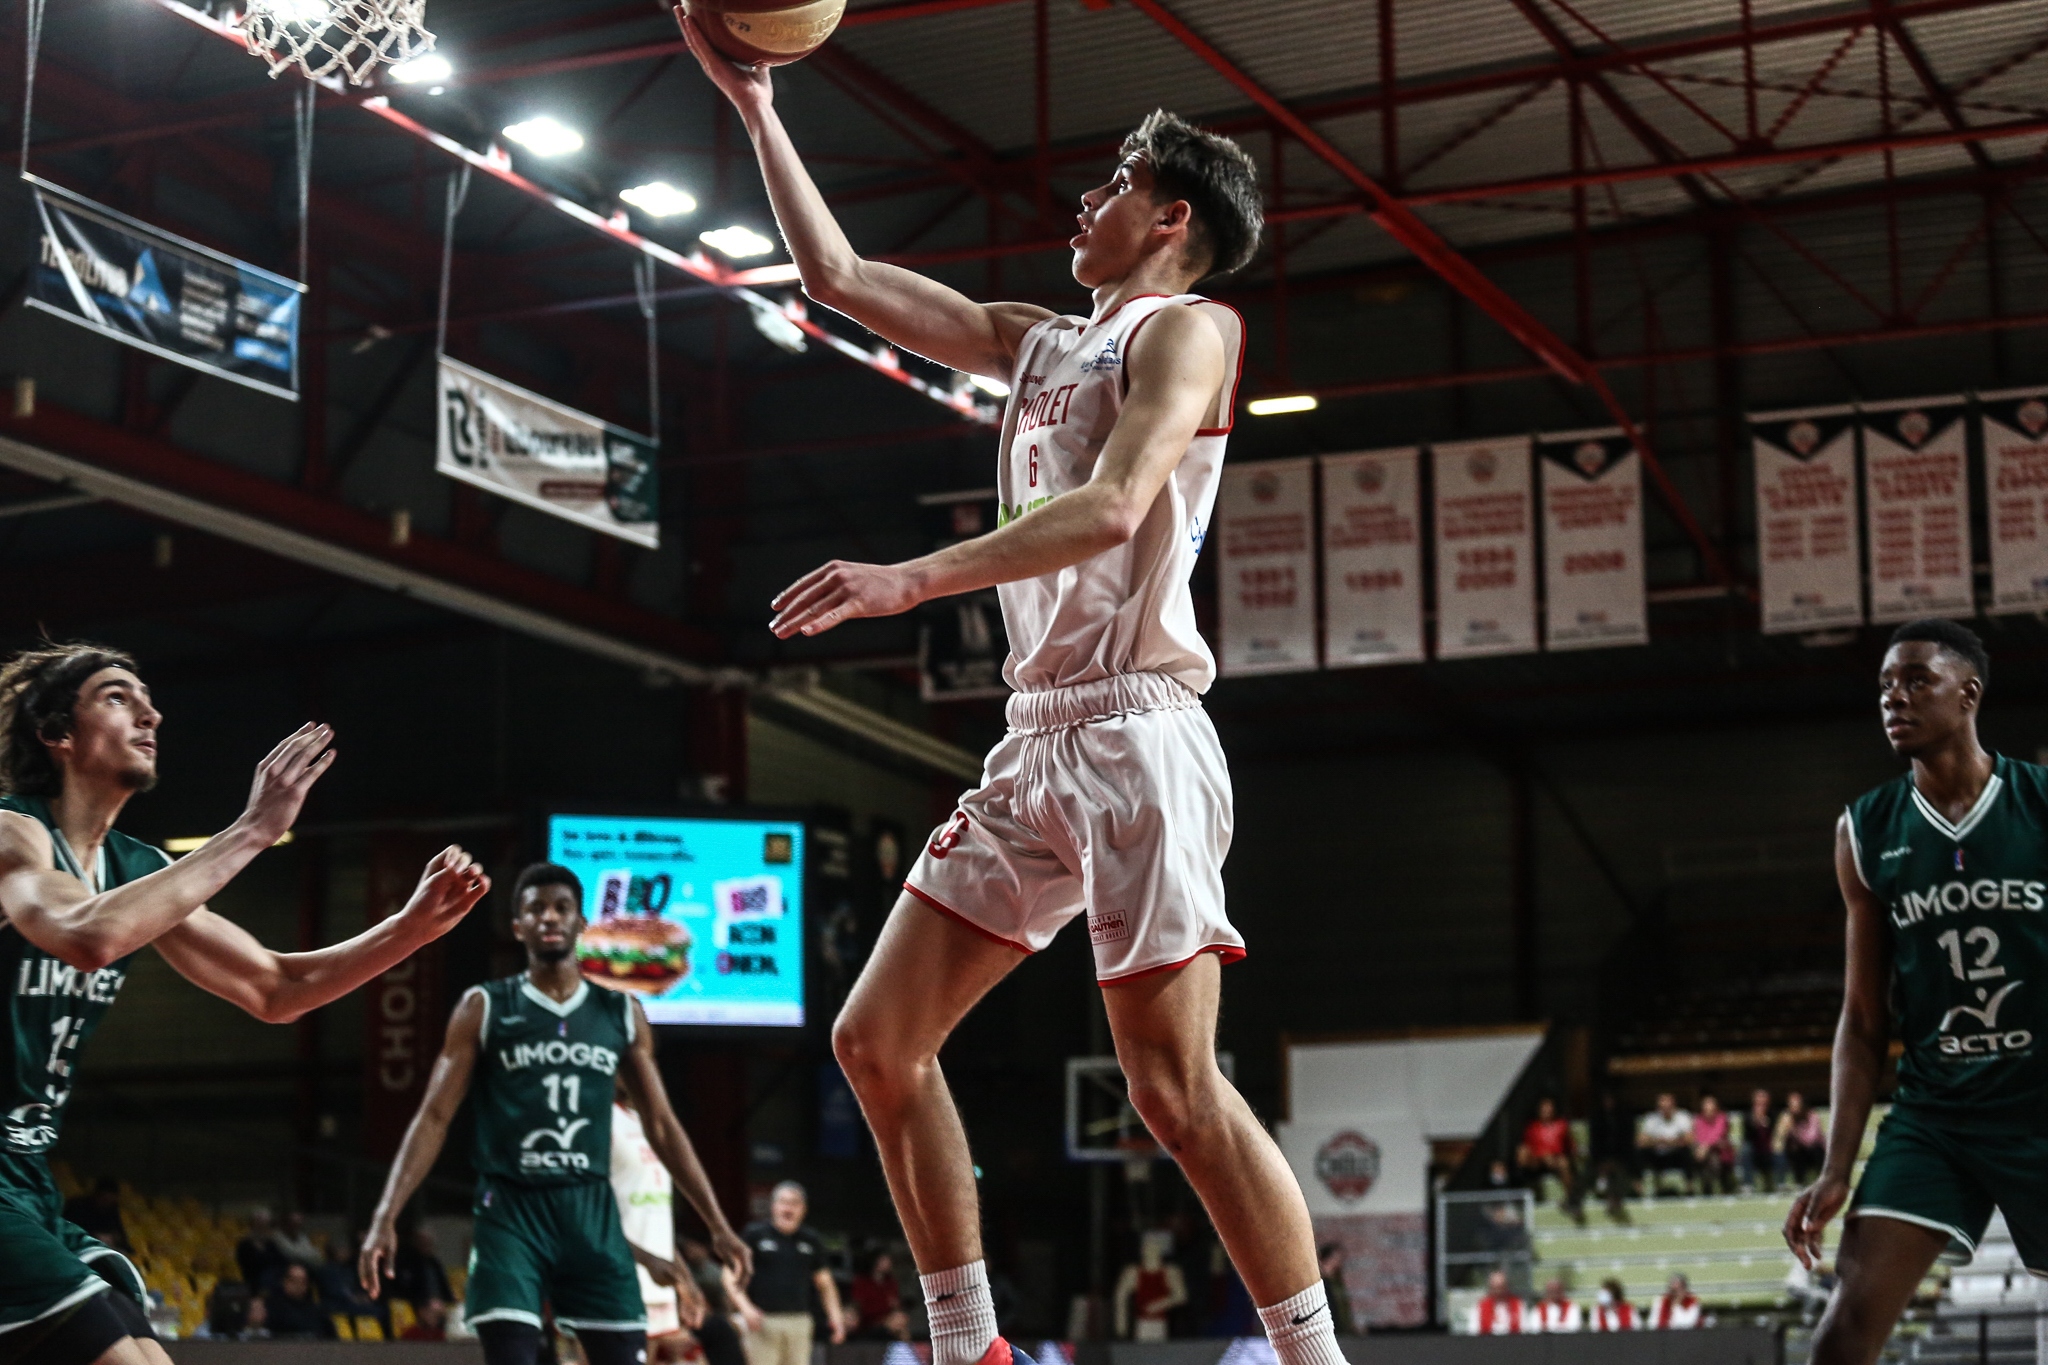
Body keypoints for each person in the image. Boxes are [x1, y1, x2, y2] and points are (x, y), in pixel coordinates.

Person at [676, 25, 1342, 1365]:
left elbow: (1109, 509)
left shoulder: (1191, 331)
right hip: (1036, 741)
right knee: (876, 1042)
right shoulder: (1038, 343)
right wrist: (754, 107)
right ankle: (972, 1347)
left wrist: (908, 578)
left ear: (1172, 215)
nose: (1085, 203)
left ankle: (1313, 1358)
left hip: (1141, 730)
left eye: (1113, 183)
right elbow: (840, 273)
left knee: (1173, 1093)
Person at [0, 642, 490, 1365]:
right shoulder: (13, 833)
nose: (150, 711)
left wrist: (408, 929)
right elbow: (88, 934)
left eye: (147, 696)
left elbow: (275, 989)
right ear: (56, 733)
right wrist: (256, 828)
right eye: (115, 695)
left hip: (29, 1182)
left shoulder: (138, 868)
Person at [358, 862, 751, 1365]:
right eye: (535, 909)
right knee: (514, 1354)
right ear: (517, 926)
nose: (549, 917)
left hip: (589, 1207)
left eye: (562, 907)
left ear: (581, 921)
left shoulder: (621, 1013)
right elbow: (433, 1117)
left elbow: (661, 1124)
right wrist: (385, 1215)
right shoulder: (484, 1006)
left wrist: (716, 1223)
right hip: (511, 1208)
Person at [1786, 620, 2048, 1365]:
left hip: (2042, 1103)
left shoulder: (2040, 803)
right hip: (1939, 1114)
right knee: (1846, 1328)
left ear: (1969, 693)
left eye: (1915, 681)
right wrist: (1837, 1166)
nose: (1893, 697)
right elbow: (1865, 1018)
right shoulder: (1865, 830)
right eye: (1884, 687)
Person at [610, 1088, 711, 1363]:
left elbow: (659, 1221)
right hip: (615, 1275)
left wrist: (685, 1280)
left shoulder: (652, 1128)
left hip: (658, 1281)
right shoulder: (602, 1120)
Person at [733, 1181, 845, 1365]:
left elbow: (825, 1284)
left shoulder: (811, 1239)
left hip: (800, 1322)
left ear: (803, 1209)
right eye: (783, 1202)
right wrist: (745, 1307)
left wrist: (836, 1317)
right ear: (773, 1206)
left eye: (794, 1203)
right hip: (762, 1321)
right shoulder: (755, 1234)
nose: (788, 1208)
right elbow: (730, 1276)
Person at [1113, 1231, 1186, 1342]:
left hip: (1161, 1323)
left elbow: (1181, 1296)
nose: (1149, 1250)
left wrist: (1159, 1305)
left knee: (1159, 1349)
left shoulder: (1171, 1272)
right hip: (1142, 1323)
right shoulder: (1132, 1272)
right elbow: (1120, 1297)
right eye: (1147, 1246)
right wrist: (1121, 1326)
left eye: (1153, 1246)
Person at [1515, 1097, 1576, 1212]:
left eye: (1549, 1109)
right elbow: (1528, 1147)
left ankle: (1570, 1198)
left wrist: (1557, 1156)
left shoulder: (1561, 1125)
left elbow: (1570, 1147)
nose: (1546, 1111)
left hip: (1556, 1160)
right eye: (1544, 1109)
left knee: (1564, 1163)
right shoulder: (1532, 1127)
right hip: (1538, 1161)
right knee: (1521, 1151)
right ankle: (1519, 1189)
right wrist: (1542, 1156)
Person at [1635, 1093, 1694, 1194]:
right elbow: (1640, 1141)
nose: (1665, 1110)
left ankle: (1689, 1188)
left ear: (1674, 1106)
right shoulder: (1651, 1119)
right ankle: (1637, 1188)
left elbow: (1690, 1139)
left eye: (1668, 1107)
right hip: (1657, 1155)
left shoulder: (1682, 1117)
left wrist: (1670, 1142)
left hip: (1675, 1155)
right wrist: (1658, 1142)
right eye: (1662, 1107)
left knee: (1687, 1152)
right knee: (1639, 1153)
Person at [849, 1249, 908, 1341]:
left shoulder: (891, 1282)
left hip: (885, 1321)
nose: (888, 1263)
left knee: (900, 1319)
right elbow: (857, 1304)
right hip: (866, 1320)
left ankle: (907, 1351)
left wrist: (895, 1309)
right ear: (876, 1261)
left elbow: (895, 1305)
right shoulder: (862, 1281)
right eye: (884, 1260)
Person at [262, 1264, 333, 1340]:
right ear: (284, 1281)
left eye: (303, 1281)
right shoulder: (271, 1307)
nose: (298, 1285)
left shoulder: (317, 1310)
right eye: (294, 1280)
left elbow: (331, 1337)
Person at [60, 1181, 126, 1253]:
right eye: (105, 1199)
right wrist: (95, 1236)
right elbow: (70, 1229)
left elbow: (119, 1231)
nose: (107, 1203)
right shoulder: (78, 1206)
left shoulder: (111, 1209)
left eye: (111, 1201)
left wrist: (115, 1238)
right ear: (97, 1195)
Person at [1777, 1091, 1826, 1186]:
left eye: (1797, 1103)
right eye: (1791, 1104)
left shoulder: (1812, 1116)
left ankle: (1822, 1181)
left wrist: (1794, 1130)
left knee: (1815, 1151)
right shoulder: (1787, 1117)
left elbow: (1811, 1140)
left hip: (1814, 1151)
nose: (1794, 1107)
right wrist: (1784, 1129)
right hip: (1798, 1154)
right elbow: (1778, 1141)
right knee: (1792, 1151)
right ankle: (1797, 1183)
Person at [1738, 1089, 1783, 1193]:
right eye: (1759, 1098)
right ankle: (1748, 1185)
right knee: (1745, 1150)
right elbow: (1747, 1136)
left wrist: (1768, 1123)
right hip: (1754, 1150)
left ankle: (1781, 1183)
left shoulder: (1774, 1114)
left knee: (1780, 1150)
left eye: (1764, 1098)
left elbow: (1779, 1133)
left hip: (1770, 1149)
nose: (1761, 1102)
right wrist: (1756, 1122)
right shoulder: (1747, 1115)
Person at [234, 1210, 288, 1292]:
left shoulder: (271, 1243)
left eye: (265, 1226)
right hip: (255, 1279)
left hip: (274, 1276)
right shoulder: (245, 1244)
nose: (263, 1229)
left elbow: (281, 1261)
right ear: (252, 1225)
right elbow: (249, 1265)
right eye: (259, 1225)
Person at [1692, 1094, 1734, 1196]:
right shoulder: (1698, 1120)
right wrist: (1704, 1147)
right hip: (1703, 1154)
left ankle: (1713, 1188)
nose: (1708, 1109)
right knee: (1704, 1157)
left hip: (1722, 1152)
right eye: (1706, 1106)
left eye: (1711, 1106)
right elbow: (1699, 1137)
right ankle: (1707, 1189)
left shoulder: (1722, 1118)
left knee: (1713, 1158)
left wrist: (1706, 1146)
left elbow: (1718, 1134)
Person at [1314, 1243, 1355, 1337]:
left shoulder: (1336, 1281)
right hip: (1326, 1328)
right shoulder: (1319, 1281)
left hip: (1339, 1328)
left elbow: (1342, 1305)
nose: (1339, 1261)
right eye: (1336, 1258)